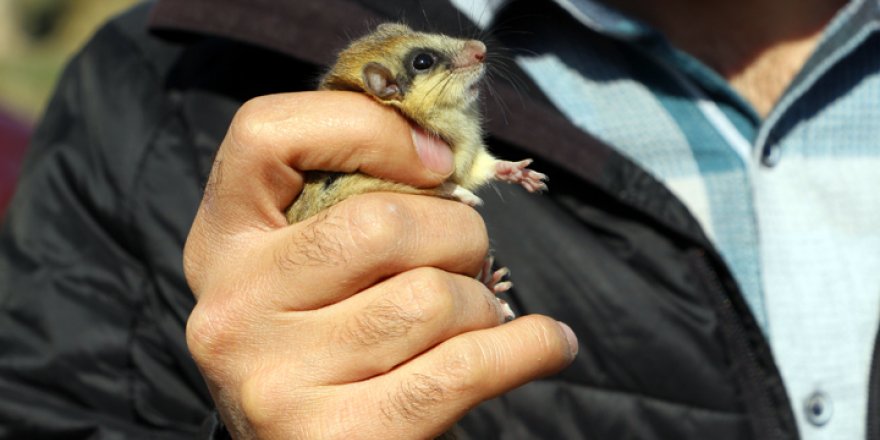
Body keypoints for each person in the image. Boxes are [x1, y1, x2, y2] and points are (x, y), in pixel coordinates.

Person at [1, 0, 878, 438]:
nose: (471, 58)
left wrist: (492, 172)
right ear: (386, 88)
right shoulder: (162, 93)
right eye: (433, 61)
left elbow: (467, 166)